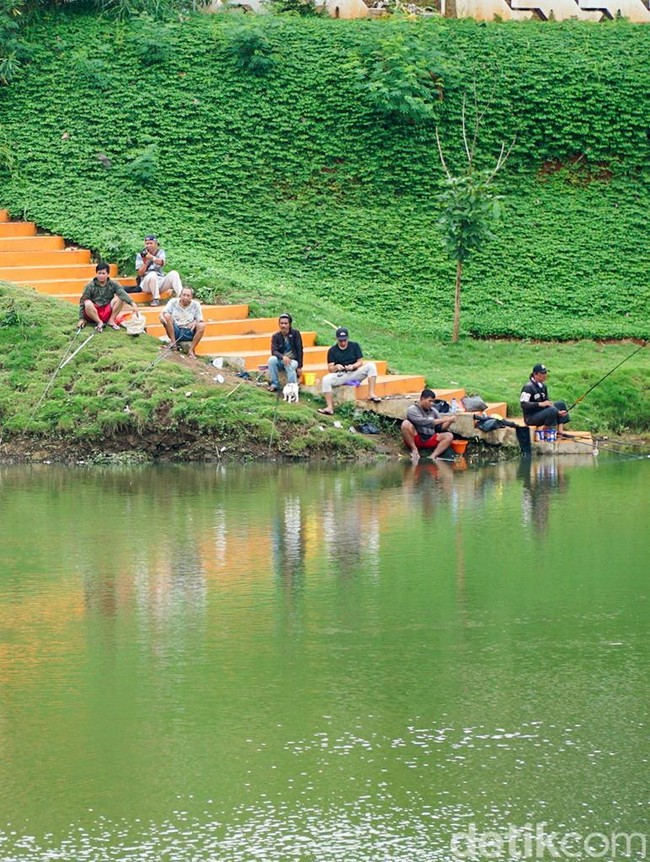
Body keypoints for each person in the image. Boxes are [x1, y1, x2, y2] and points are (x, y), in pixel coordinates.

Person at [318, 327, 381, 415]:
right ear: (337, 339)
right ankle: (329, 407)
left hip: (354, 372)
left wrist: (353, 366)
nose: (343, 342)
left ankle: (371, 393)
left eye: (344, 340)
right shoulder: (332, 350)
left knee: (371, 366)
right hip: (341, 375)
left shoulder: (354, 346)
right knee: (326, 379)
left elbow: (360, 362)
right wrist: (336, 367)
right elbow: (330, 368)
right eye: (341, 341)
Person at [79, 262, 138, 332]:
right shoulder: (90, 285)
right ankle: (99, 322)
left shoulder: (113, 284)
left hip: (107, 310)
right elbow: (82, 302)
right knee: (87, 303)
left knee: (120, 298)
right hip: (94, 312)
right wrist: (81, 318)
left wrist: (132, 303)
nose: (101, 275)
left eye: (103, 273)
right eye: (99, 273)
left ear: (108, 274)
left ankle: (111, 320)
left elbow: (122, 293)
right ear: (96, 273)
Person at [401, 388, 457, 463]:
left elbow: (440, 428)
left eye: (433, 401)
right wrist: (443, 420)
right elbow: (424, 422)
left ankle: (433, 456)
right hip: (416, 437)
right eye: (429, 401)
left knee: (449, 436)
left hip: (430, 438)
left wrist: (450, 421)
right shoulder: (412, 410)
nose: (432, 403)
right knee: (405, 424)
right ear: (422, 399)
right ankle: (414, 449)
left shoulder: (434, 411)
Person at [520, 363, 570, 435]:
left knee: (560, 404)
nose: (545, 375)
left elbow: (547, 402)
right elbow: (523, 404)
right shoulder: (528, 387)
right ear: (535, 374)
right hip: (531, 418)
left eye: (545, 373)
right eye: (542, 373)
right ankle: (544, 433)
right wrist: (540, 404)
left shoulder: (543, 386)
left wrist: (558, 411)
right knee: (552, 410)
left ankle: (560, 432)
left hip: (541, 412)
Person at [135, 234, 183, 306]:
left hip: (160, 281)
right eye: (147, 243)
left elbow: (162, 263)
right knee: (152, 274)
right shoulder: (140, 255)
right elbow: (140, 273)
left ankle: (182, 297)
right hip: (146, 283)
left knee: (174, 273)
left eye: (151, 243)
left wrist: (152, 258)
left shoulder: (160, 252)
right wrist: (145, 262)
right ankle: (156, 299)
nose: (149, 245)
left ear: (156, 244)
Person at [160, 287, 205, 359]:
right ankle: (173, 343)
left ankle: (191, 350)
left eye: (188, 295)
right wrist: (162, 317)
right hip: (176, 330)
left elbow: (200, 319)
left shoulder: (196, 305)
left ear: (191, 297)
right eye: (184, 295)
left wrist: (195, 322)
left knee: (202, 325)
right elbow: (163, 313)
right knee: (167, 316)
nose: (185, 297)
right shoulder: (173, 301)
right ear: (180, 295)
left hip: (188, 331)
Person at [268, 313, 303, 393]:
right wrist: (282, 357)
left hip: (293, 360)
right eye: (281, 323)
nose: (283, 325)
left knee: (289, 365)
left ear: (289, 324)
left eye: (285, 323)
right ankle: (274, 384)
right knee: (271, 360)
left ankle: (292, 388)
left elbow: (299, 350)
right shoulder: (276, 336)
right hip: (282, 359)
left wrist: (299, 367)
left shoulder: (295, 334)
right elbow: (274, 351)